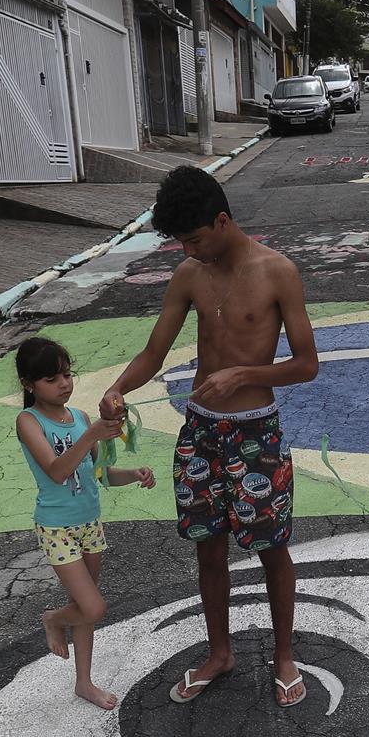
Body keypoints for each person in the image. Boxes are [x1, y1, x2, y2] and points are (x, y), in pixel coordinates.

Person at [99, 166, 322, 708]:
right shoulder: (189, 275)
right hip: (199, 432)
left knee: (272, 548)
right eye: (181, 242)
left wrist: (245, 375)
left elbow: (307, 364)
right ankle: (219, 651)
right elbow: (155, 350)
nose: (188, 250)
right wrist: (118, 388)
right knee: (208, 549)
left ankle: (284, 654)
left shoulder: (278, 272)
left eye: (194, 238)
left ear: (222, 220)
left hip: (256, 435)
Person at [14, 336, 151, 709]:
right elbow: (57, 471)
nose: (64, 384)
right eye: (51, 379)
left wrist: (134, 474)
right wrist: (91, 433)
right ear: (29, 385)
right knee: (92, 607)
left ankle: (84, 683)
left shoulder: (80, 418)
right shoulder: (29, 421)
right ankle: (53, 619)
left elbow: (100, 474)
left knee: (84, 605)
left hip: (89, 522)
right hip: (57, 528)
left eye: (67, 374)